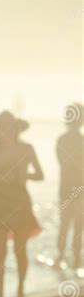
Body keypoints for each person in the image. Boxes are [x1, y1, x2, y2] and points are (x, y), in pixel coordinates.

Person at [0, 111, 43, 297]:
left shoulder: (27, 149)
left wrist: (23, 176)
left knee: (20, 250)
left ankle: (21, 290)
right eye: (3, 127)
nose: (7, 131)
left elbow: (40, 175)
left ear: (16, 129)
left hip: (20, 203)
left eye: (10, 127)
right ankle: (0, 296)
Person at [56, 103, 83, 269]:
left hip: (70, 187)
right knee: (77, 225)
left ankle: (63, 257)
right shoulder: (79, 140)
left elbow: (63, 163)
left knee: (66, 224)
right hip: (76, 187)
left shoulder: (62, 140)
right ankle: (73, 259)